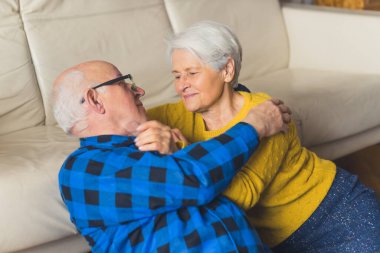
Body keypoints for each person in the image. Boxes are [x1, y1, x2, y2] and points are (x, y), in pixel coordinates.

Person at [146, 21, 380, 253]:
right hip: (276, 242)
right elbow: (123, 119)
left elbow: (241, 197)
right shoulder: (176, 114)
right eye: (177, 76)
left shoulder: (267, 115)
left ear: (227, 70)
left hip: (335, 216)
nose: (182, 86)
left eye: (192, 73)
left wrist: (181, 156)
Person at [53, 60, 291, 253]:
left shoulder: (154, 141)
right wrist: (254, 126)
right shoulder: (82, 169)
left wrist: (178, 152)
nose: (139, 90)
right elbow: (193, 179)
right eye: (125, 83)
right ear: (95, 99)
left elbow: (190, 184)